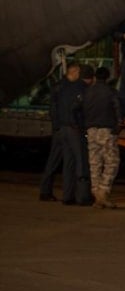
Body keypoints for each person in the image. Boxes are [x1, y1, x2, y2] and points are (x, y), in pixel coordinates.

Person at [39, 62, 92, 205]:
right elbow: (77, 109)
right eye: (78, 73)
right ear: (74, 72)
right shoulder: (76, 88)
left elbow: (53, 108)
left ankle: (49, 191)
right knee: (78, 161)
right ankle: (80, 196)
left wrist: (56, 126)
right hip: (71, 129)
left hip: (60, 129)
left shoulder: (59, 87)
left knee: (59, 161)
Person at [82, 66, 123, 209]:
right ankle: (103, 191)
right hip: (106, 130)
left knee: (94, 163)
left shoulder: (87, 92)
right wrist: (118, 125)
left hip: (91, 130)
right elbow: (118, 110)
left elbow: (79, 108)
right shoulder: (111, 92)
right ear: (107, 77)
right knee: (112, 162)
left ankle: (96, 194)